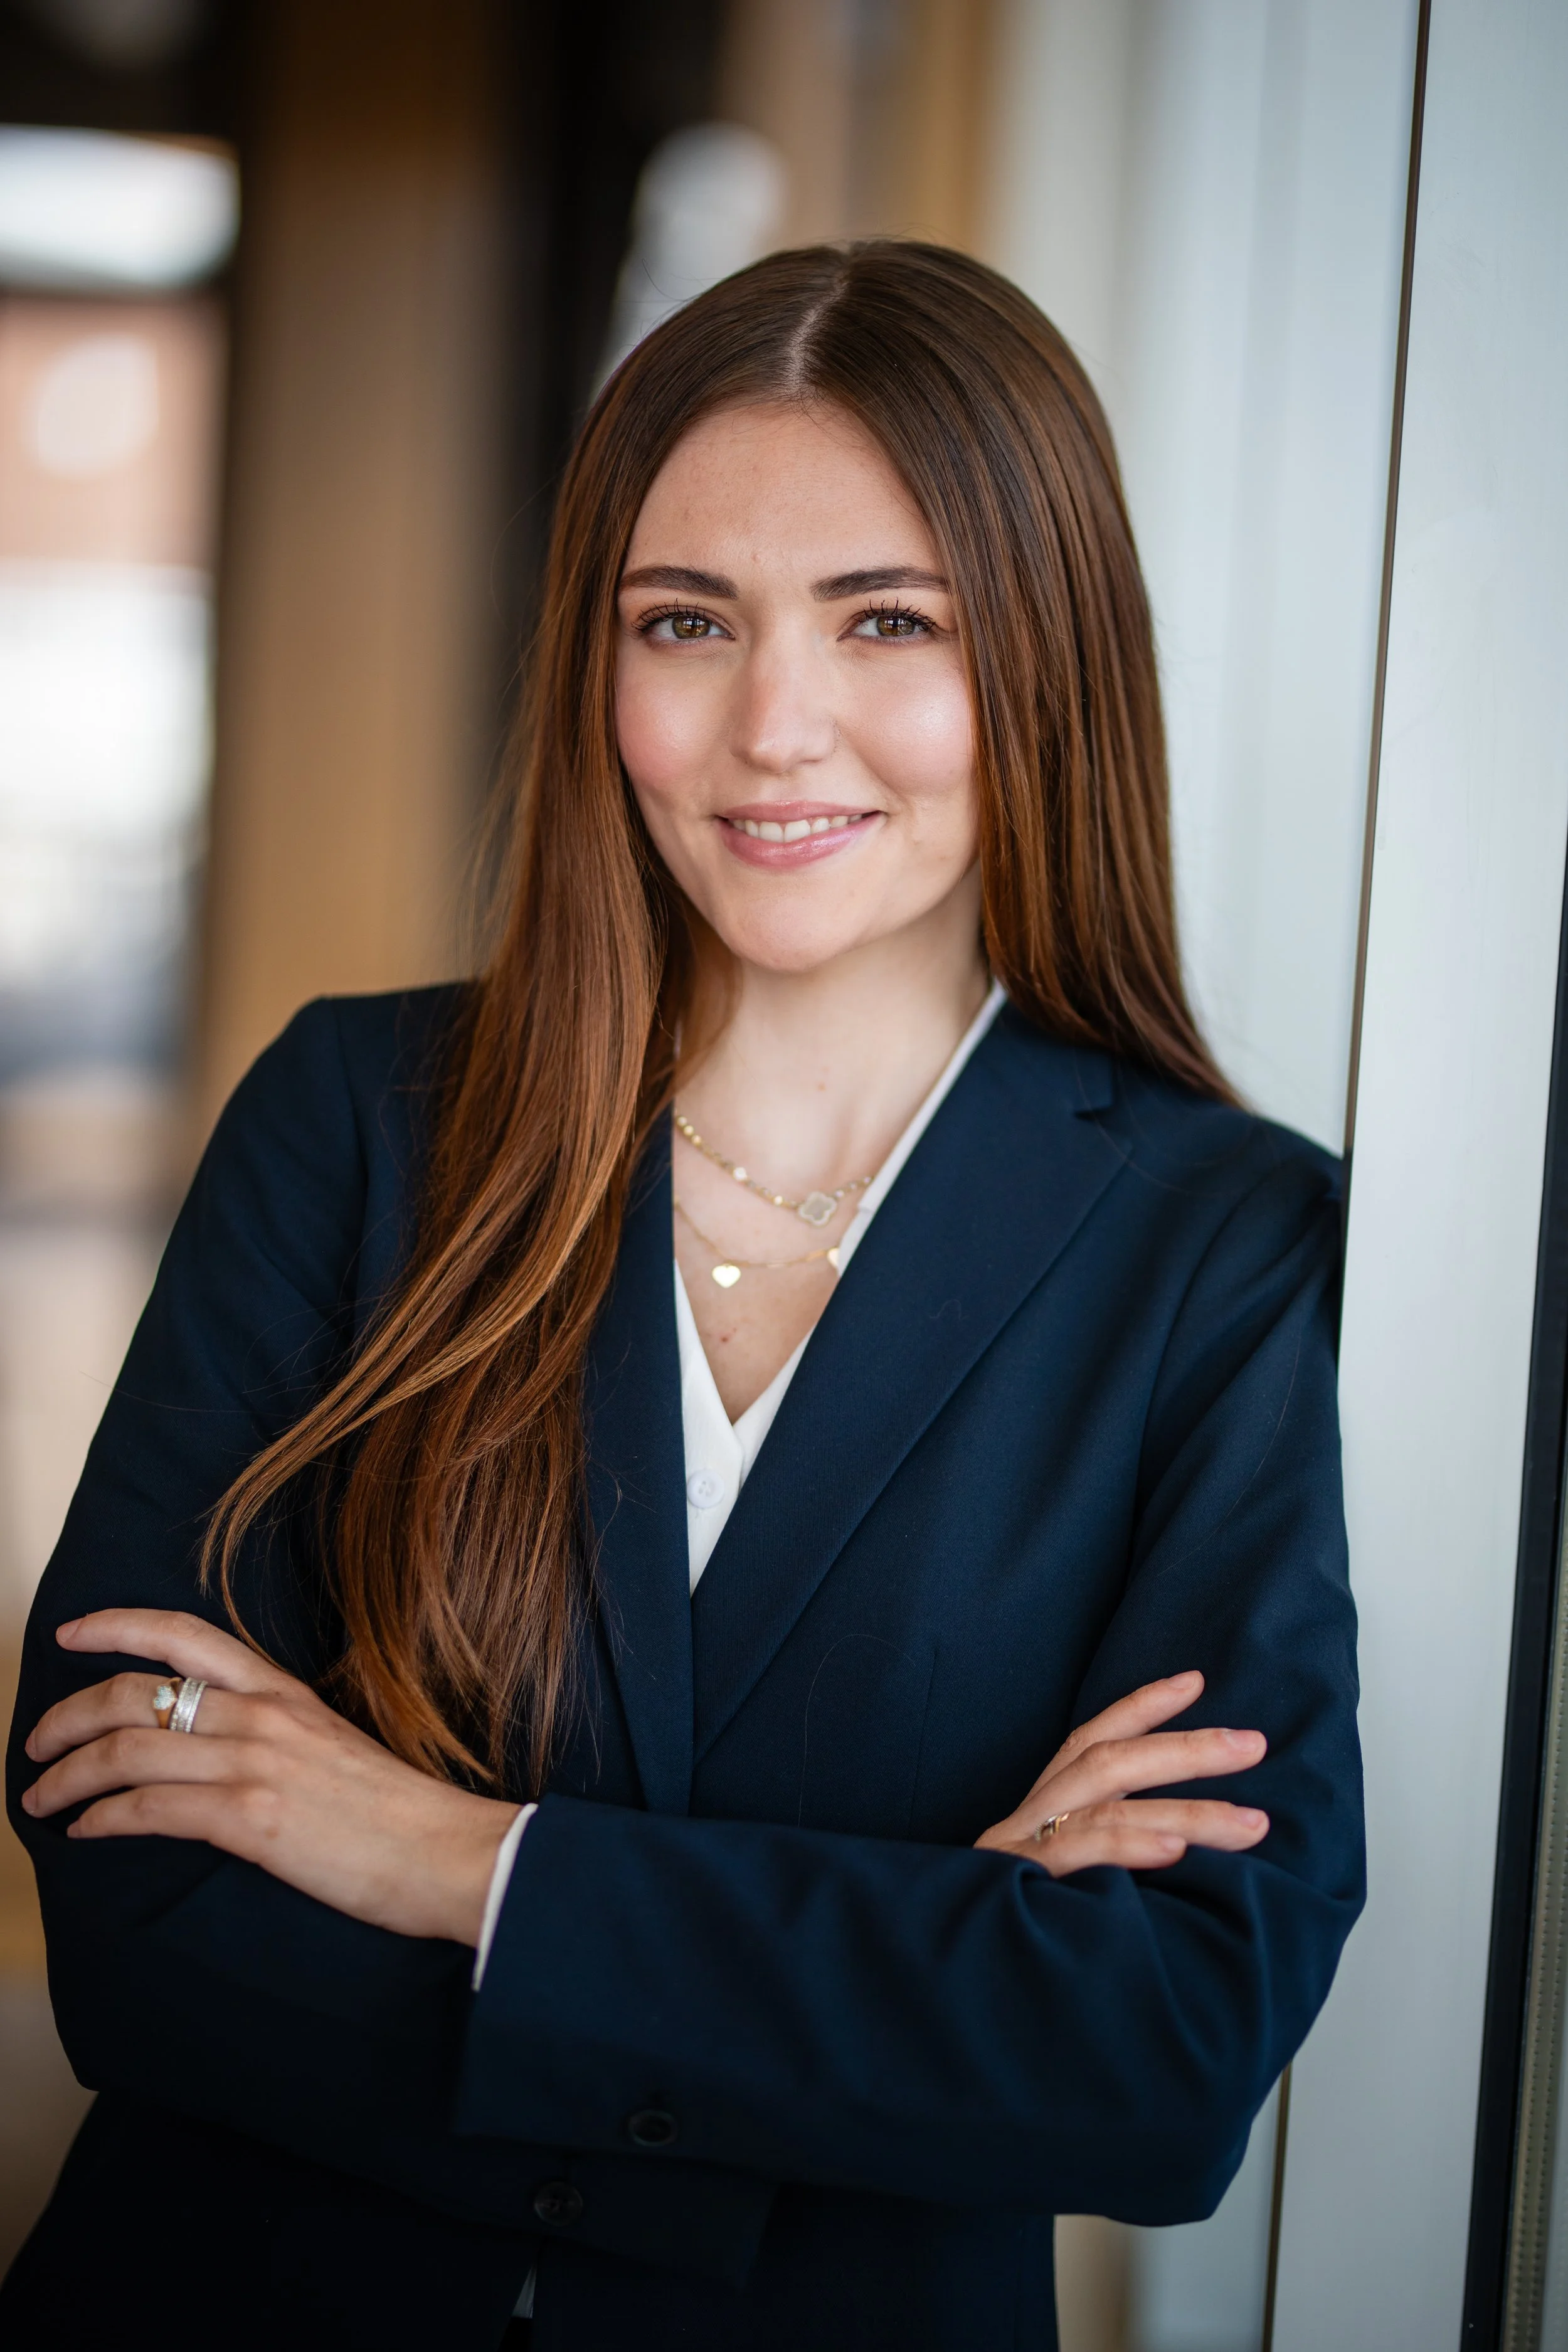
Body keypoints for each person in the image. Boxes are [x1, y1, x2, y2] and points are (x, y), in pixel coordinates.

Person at [3, 241, 1362, 2352]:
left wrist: (451, 1859)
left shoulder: (1224, 1245)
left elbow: (1157, 2044)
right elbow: (139, 1895)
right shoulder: (360, 1117)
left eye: (886, 619)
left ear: (1049, 657)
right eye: (685, 623)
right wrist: (905, 1984)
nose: (770, 726)